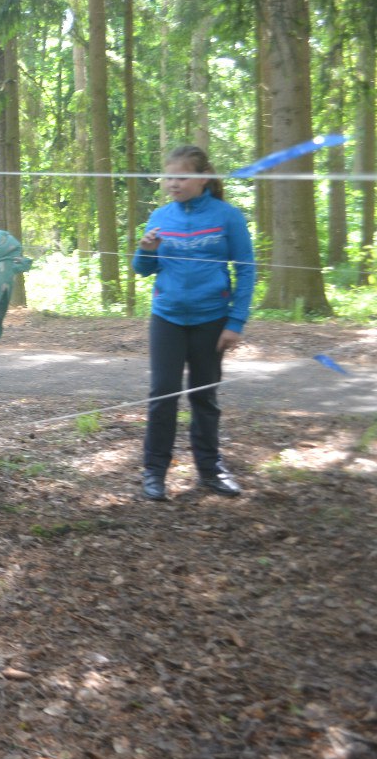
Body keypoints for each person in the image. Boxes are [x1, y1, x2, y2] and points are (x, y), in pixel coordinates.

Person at [133, 144, 254, 501]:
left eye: (182, 177)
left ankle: (211, 470)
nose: (173, 183)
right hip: (167, 318)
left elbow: (246, 271)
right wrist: (145, 250)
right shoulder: (160, 216)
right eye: (168, 177)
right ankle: (154, 472)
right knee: (163, 395)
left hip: (211, 320)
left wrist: (235, 322)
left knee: (204, 396)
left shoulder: (227, 216)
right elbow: (143, 269)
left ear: (203, 178)